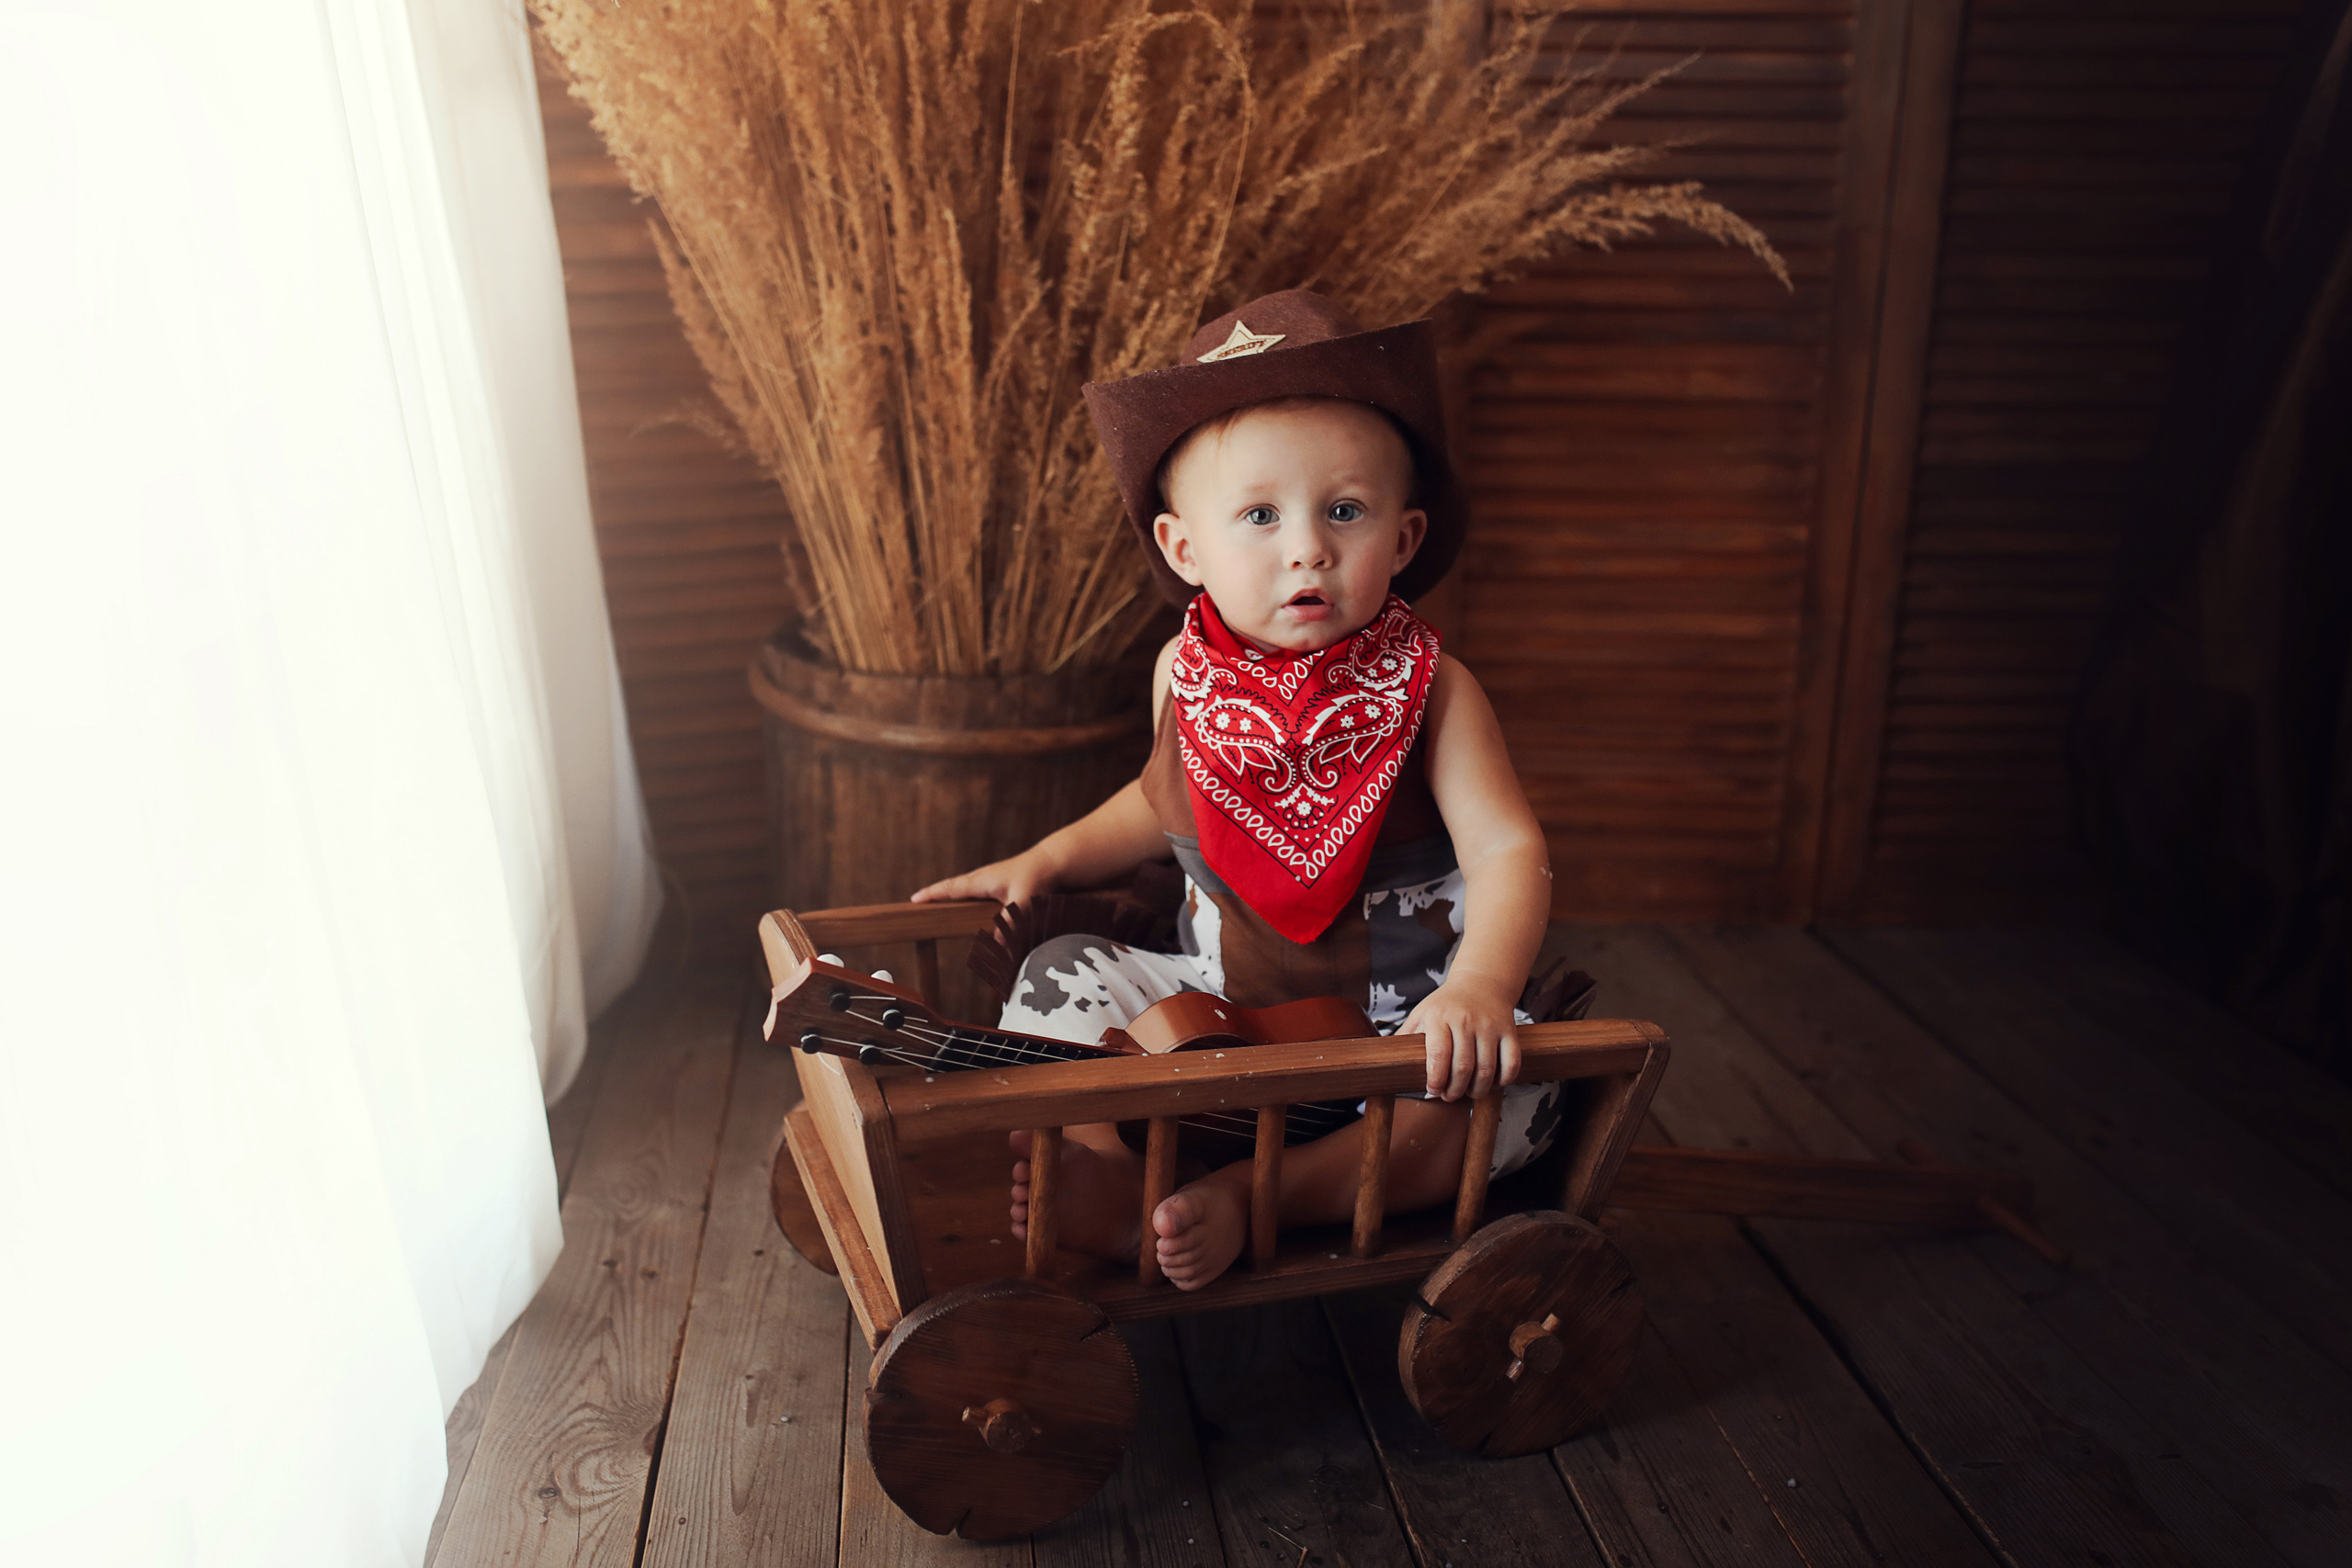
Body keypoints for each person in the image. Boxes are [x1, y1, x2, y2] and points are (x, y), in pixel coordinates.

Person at [913, 289, 1560, 1291]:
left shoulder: (1433, 689)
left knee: (1500, 1103)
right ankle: (1117, 1183)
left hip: (1398, 1036)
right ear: (1184, 549)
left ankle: (1254, 1198)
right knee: (1058, 975)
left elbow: (1508, 852)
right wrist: (1043, 860)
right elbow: (1155, 801)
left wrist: (1478, 989)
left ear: (1404, 535)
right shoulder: (1183, 674)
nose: (1306, 546)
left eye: (1344, 511)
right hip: (1221, 1017)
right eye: (1258, 515)